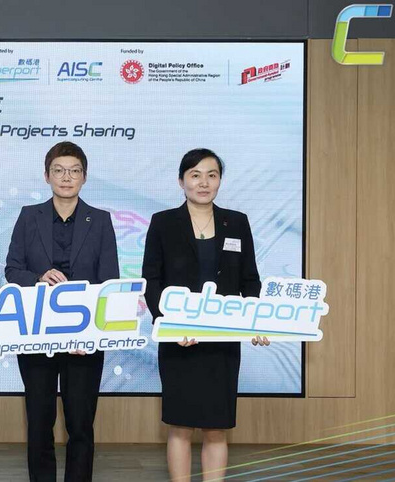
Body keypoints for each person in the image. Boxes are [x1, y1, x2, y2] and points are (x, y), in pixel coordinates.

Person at [141, 148, 269, 481]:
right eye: (195, 175)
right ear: (181, 181)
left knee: (216, 428)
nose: (203, 183)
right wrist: (169, 325)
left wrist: (256, 321)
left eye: (211, 175)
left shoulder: (237, 222)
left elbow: (250, 280)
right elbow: (151, 280)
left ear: (220, 181)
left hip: (221, 341)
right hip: (179, 341)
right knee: (180, 426)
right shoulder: (163, 223)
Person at [5, 141, 120, 482]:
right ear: (47, 176)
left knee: (80, 423)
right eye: (59, 170)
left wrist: (93, 334)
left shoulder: (100, 220)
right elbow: (12, 270)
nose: (66, 177)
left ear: (84, 177)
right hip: (37, 334)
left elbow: (109, 281)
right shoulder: (29, 216)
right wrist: (37, 277)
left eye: (74, 171)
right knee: (40, 421)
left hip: (85, 338)